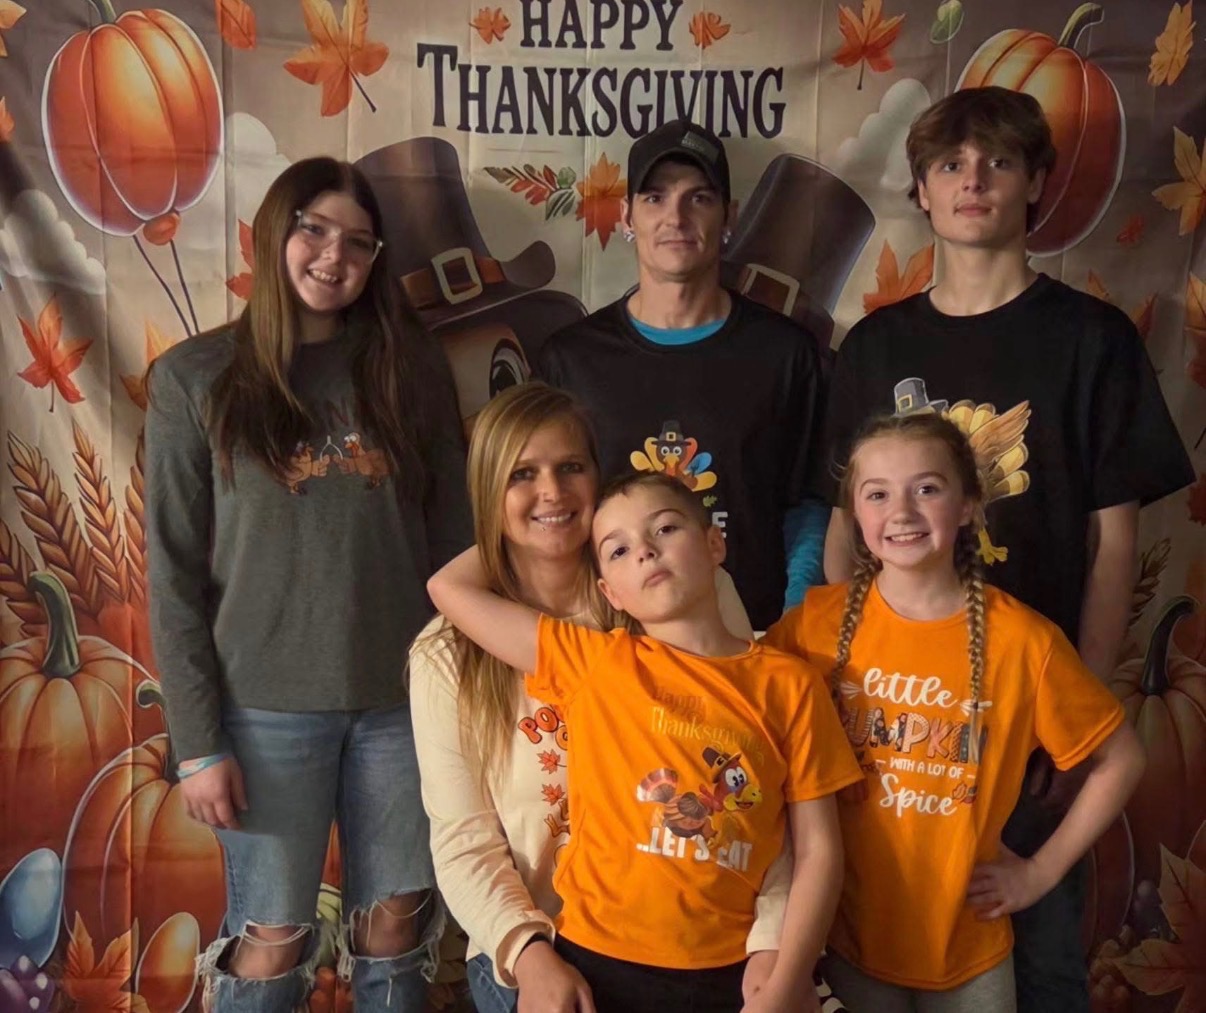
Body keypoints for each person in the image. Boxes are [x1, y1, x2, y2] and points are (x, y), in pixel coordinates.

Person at [820, 86, 1193, 1010]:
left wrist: (1077, 715)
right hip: (904, 721)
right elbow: (841, 540)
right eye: (951, 164)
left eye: (998, 162)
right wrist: (860, 682)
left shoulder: (1092, 340)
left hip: (1031, 718)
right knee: (879, 947)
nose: (974, 181)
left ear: (1036, 184)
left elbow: (1114, 544)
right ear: (922, 190)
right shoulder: (873, 346)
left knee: (1043, 961)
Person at [145, 157, 472, 1012]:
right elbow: (172, 572)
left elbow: (456, 543)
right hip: (261, 711)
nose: (335, 257)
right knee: (272, 938)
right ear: (271, 235)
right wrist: (197, 742)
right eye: (314, 230)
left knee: (397, 929)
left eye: (358, 242)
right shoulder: (194, 377)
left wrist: (467, 689)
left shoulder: (411, 368)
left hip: (404, 704)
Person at [409, 381, 811, 1013]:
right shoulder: (446, 654)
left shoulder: (677, 590)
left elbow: (765, 791)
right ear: (487, 490)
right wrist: (529, 956)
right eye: (521, 474)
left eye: (571, 467)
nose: (552, 491)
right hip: (536, 951)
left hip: (706, 950)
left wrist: (773, 944)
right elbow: (463, 841)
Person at [765, 412, 1145, 1011]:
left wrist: (1039, 874)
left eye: (927, 488)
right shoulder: (812, 627)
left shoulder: (1024, 642)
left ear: (968, 505)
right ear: (855, 513)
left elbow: (1122, 759)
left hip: (969, 950)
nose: (902, 511)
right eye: (877, 494)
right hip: (843, 943)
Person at [534, 118, 830, 630]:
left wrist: (794, 617)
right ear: (627, 216)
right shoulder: (571, 358)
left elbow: (807, 502)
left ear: (729, 215)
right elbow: (553, 508)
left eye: (699, 198)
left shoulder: (786, 353)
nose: (676, 217)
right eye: (655, 198)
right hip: (613, 639)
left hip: (752, 635)